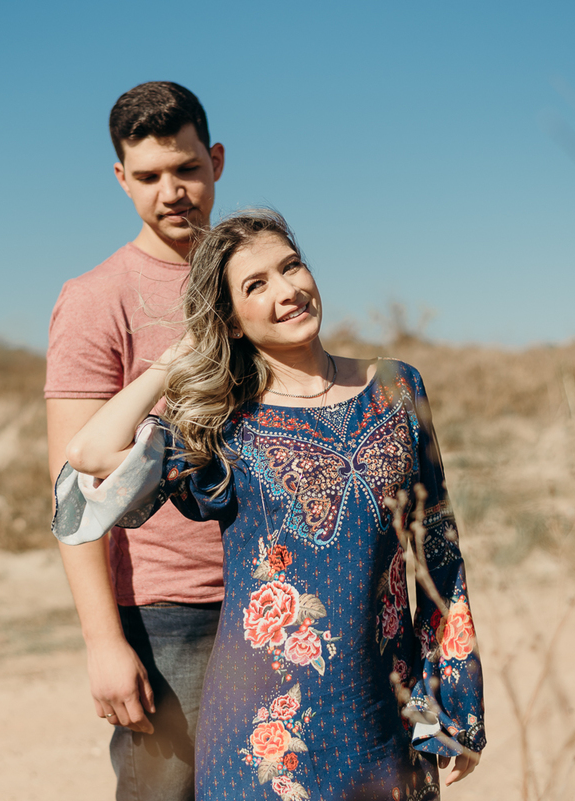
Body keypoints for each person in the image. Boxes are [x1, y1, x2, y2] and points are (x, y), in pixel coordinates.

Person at [54, 210, 486, 800]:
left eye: (291, 266)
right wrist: (177, 358)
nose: (287, 290)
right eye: (255, 285)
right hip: (262, 733)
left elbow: (437, 550)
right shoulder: (221, 424)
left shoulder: (396, 386)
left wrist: (451, 705)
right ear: (231, 321)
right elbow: (91, 454)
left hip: (385, 712)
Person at [44, 82, 226, 801]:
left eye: (186, 168)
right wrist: (103, 642)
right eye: (148, 176)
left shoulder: (250, 280)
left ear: (216, 160)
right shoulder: (97, 297)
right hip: (168, 611)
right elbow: (73, 490)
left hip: (273, 585)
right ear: (121, 178)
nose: (171, 192)